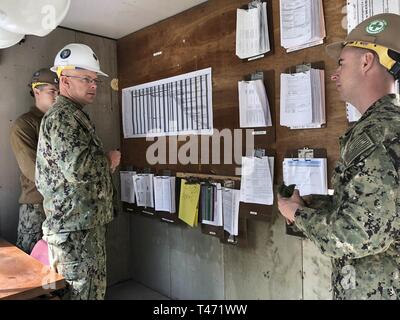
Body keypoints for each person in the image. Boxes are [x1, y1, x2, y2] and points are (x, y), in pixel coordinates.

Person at [278, 13, 400, 300]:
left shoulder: (379, 137)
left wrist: (296, 213)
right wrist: (314, 205)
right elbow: (373, 209)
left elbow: (358, 234)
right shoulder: (380, 129)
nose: (334, 74)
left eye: (341, 64)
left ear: (366, 62)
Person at [35, 43, 121, 300]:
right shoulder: (63, 117)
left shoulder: (73, 114)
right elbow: (78, 167)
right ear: (65, 81)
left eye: (95, 80)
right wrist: (108, 160)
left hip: (82, 227)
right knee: (83, 294)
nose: (93, 85)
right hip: (74, 233)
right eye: (86, 79)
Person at [10, 68, 59, 254]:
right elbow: (34, 171)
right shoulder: (25, 124)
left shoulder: (59, 123)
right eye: (52, 91)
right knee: (32, 262)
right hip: (36, 205)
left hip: (61, 204)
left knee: (59, 264)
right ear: (36, 91)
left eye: (59, 91)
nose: (57, 95)